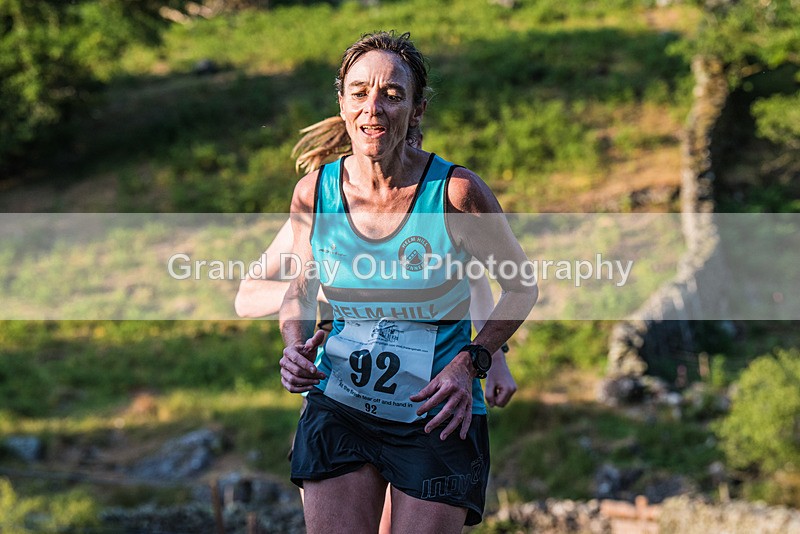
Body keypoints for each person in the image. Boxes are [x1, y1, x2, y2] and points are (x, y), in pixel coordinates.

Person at [279, 31, 537, 533]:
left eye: (392, 95)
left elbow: (521, 286)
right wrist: (293, 345)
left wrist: (473, 363)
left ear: (416, 110)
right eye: (359, 92)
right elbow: (299, 289)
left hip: (436, 413)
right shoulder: (314, 192)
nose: (373, 107)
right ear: (342, 102)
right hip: (341, 403)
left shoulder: (455, 193)